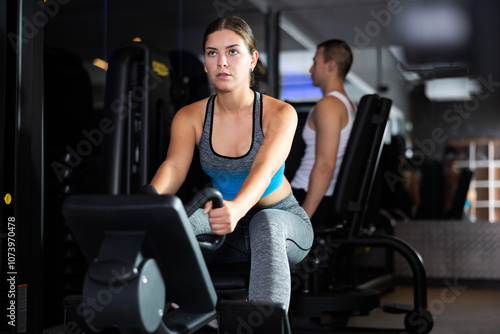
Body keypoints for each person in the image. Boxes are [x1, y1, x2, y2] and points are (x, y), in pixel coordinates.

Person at [148, 15, 313, 310]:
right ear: (206, 61)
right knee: (176, 224)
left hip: (282, 222)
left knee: (266, 223)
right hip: (226, 224)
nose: (222, 62)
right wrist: (148, 203)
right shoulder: (190, 116)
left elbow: (264, 168)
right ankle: (187, 315)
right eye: (213, 53)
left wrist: (237, 208)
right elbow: (174, 166)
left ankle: (266, 327)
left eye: (233, 51)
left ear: (252, 59)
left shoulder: (280, 113)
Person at [291, 39, 356, 225]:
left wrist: (303, 220)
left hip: (306, 197)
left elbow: (326, 165)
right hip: (319, 197)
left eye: (315, 62)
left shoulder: (329, 105)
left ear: (331, 65)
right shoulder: (349, 105)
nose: (311, 69)